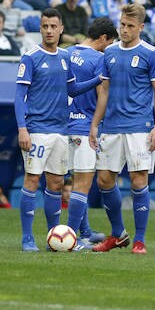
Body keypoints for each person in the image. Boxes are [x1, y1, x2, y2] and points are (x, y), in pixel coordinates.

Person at [15, 8, 103, 252]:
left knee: (55, 183)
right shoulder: (31, 57)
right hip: (37, 130)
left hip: (61, 130)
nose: (49, 30)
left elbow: (73, 90)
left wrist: (98, 79)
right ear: (40, 28)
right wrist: (22, 128)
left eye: (54, 26)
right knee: (32, 179)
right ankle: (27, 238)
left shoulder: (65, 57)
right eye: (45, 26)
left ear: (61, 28)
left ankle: (53, 237)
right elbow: (19, 96)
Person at [89, 4, 155, 254]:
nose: (124, 29)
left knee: (138, 179)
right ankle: (118, 234)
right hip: (111, 126)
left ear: (141, 27)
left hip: (139, 127)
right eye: (122, 24)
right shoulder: (109, 53)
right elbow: (104, 92)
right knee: (104, 180)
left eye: (130, 26)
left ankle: (140, 240)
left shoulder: (151, 54)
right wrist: (94, 124)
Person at [65, 18, 119, 246]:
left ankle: (85, 231)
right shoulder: (100, 58)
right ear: (103, 38)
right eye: (110, 42)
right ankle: (69, 237)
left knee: (72, 180)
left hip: (61, 126)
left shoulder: (65, 53)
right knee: (83, 184)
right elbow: (102, 94)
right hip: (85, 127)